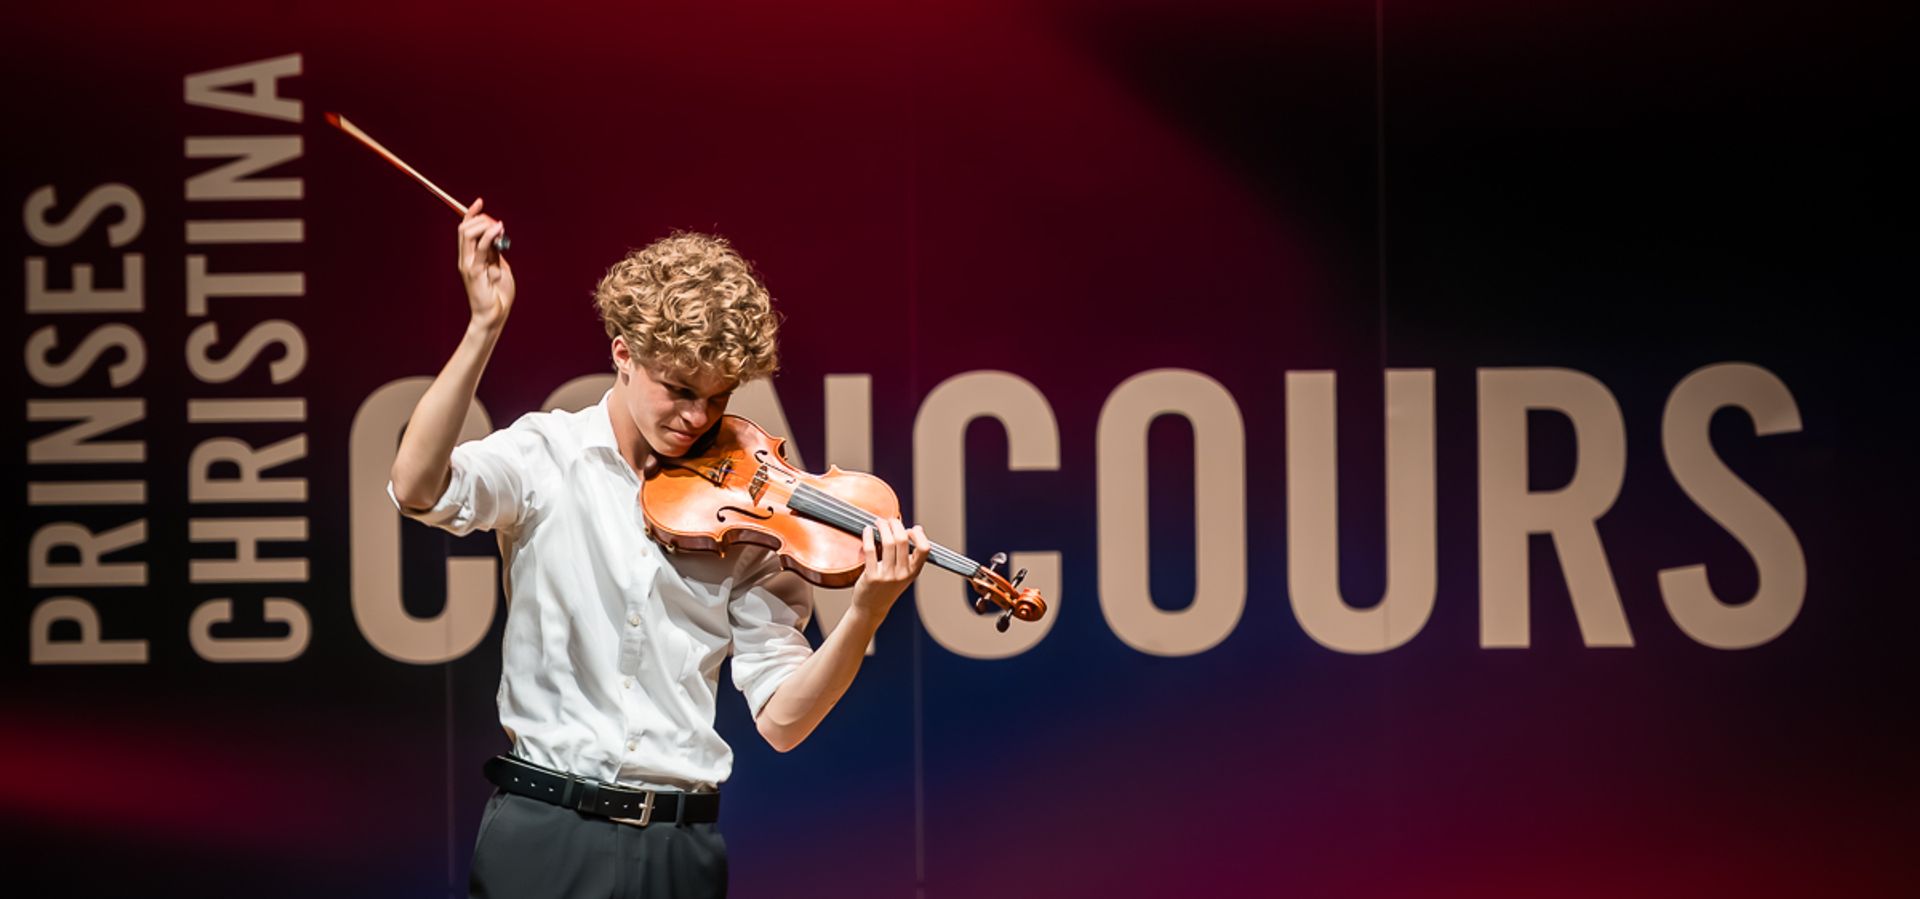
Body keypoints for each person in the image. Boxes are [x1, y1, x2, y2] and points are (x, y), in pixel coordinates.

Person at [388, 199, 928, 898]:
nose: (698, 418)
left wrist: (863, 615)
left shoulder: (752, 512)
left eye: (718, 395)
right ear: (622, 351)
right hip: (543, 832)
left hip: (679, 847)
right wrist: (483, 326)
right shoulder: (547, 455)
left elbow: (784, 722)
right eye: (679, 389)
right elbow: (416, 488)